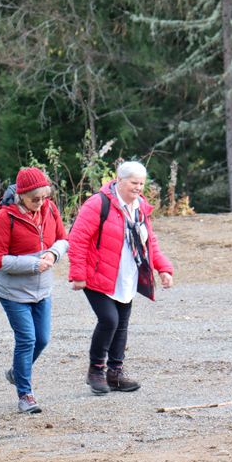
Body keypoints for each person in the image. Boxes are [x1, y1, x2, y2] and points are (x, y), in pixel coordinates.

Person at [68, 161, 174, 395]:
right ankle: (96, 370)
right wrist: (78, 274)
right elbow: (77, 239)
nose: (138, 188)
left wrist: (163, 268)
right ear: (120, 180)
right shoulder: (98, 203)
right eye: (134, 183)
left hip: (127, 275)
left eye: (142, 184)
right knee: (109, 320)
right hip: (97, 275)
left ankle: (115, 373)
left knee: (121, 325)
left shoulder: (140, 207)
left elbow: (149, 242)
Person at [0, 168, 68, 414]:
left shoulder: (50, 209)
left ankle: (17, 372)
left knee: (42, 339)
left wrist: (53, 253)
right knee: (27, 339)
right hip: (12, 291)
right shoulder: (5, 217)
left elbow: (63, 239)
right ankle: (25, 395)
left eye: (44, 197)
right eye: (35, 199)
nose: (41, 203)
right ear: (21, 195)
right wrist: (33, 264)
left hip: (42, 289)